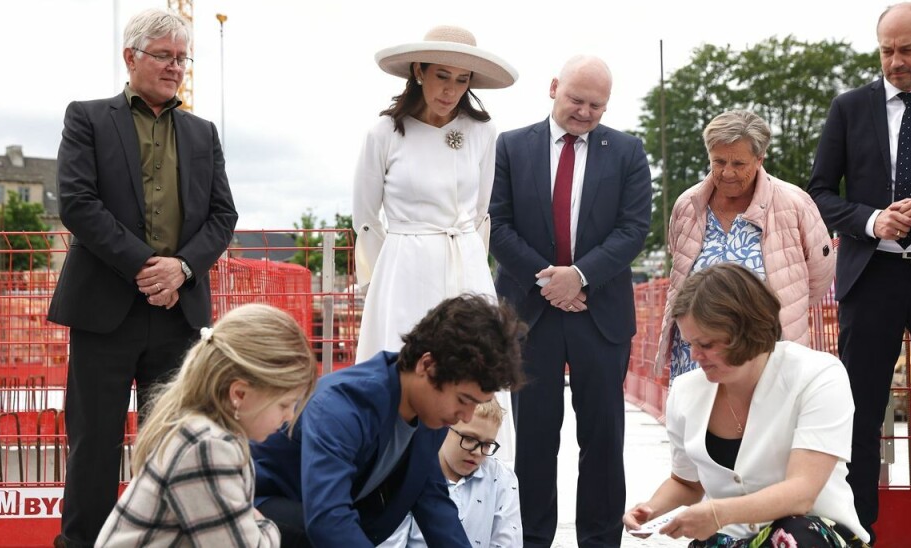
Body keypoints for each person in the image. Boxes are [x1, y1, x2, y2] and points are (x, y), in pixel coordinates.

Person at [47, 8, 238, 547]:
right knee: (93, 447)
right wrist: (144, 265)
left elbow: (224, 216)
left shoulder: (203, 133)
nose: (176, 67)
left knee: (172, 447)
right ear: (130, 57)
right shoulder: (86, 117)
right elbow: (77, 204)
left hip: (178, 313)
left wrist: (180, 268)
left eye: (182, 59)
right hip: (103, 314)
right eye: (164, 56)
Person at [490, 54, 652, 547]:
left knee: (602, 441)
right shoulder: (511, 146)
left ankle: (601, 541)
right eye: (576, 100)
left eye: (596, 106)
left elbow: (633, 229)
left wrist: (580, 277)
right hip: (530, 317)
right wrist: (551, 283)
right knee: (535, 440)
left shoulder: (627, 151)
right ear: (554, 88)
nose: (584, 112)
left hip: (599, 314)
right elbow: (497, 223)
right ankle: (532, 538)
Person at [353, 24, 519, 462]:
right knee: (405, 369)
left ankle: (477, 482)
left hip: (464, 260)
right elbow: (366, 218)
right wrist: (379, 283)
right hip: (403, 266)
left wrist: (472, 263)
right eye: (442, 75)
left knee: (477, 364)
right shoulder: (384, 133)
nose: (450, 89)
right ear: (419, 71)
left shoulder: (484, 133)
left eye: (462, 79)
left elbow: (481, 210)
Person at [623, 263, 869, 547]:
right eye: (690, 343)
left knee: (795, 536)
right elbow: (687, 483)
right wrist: (651, 509)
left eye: (706, 344)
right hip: (729, 539)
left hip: (810, 535)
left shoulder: (818, 375)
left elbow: (802, 493)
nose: (694, 355)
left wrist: (718, 513)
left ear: (745, 329)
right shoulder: (685, 391)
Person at [252, 294, 526, 547]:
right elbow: (328, 520)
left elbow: (434, 505)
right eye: (464, 400)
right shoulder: (343, 406)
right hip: (261, 515)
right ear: (427, 366)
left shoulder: (429, 416)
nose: (465, 416)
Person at [806, 3, 911, 541]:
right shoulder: (849, 108)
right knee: (859, 416)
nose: (895, 61)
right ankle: (859, 531)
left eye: (908, 50)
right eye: (886, 50)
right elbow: (820, 193)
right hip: (870, 280)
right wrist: (874, 220)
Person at [95, 304, 317, 547]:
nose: (288, 417)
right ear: (239, 393)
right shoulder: (207, 446)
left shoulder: (201, 429)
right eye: (284, 404)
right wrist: (264, 525)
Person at [658, 109, 834, 382]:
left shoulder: (794, 203)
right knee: (700, 423)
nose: (727, 173)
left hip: (767, 353)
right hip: (695, 357)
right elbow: (678, 266)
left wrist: (784, 309)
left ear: (760, 159)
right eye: (718, 162)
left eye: (739, 164)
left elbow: (820, 273)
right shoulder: (687, 206)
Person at [376, 399, 522, 548]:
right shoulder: (413, 470)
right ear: (445, 427)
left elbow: (508, 543)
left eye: (487, 445)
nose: (478, 452)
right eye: (469, 439)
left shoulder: (501, 477)